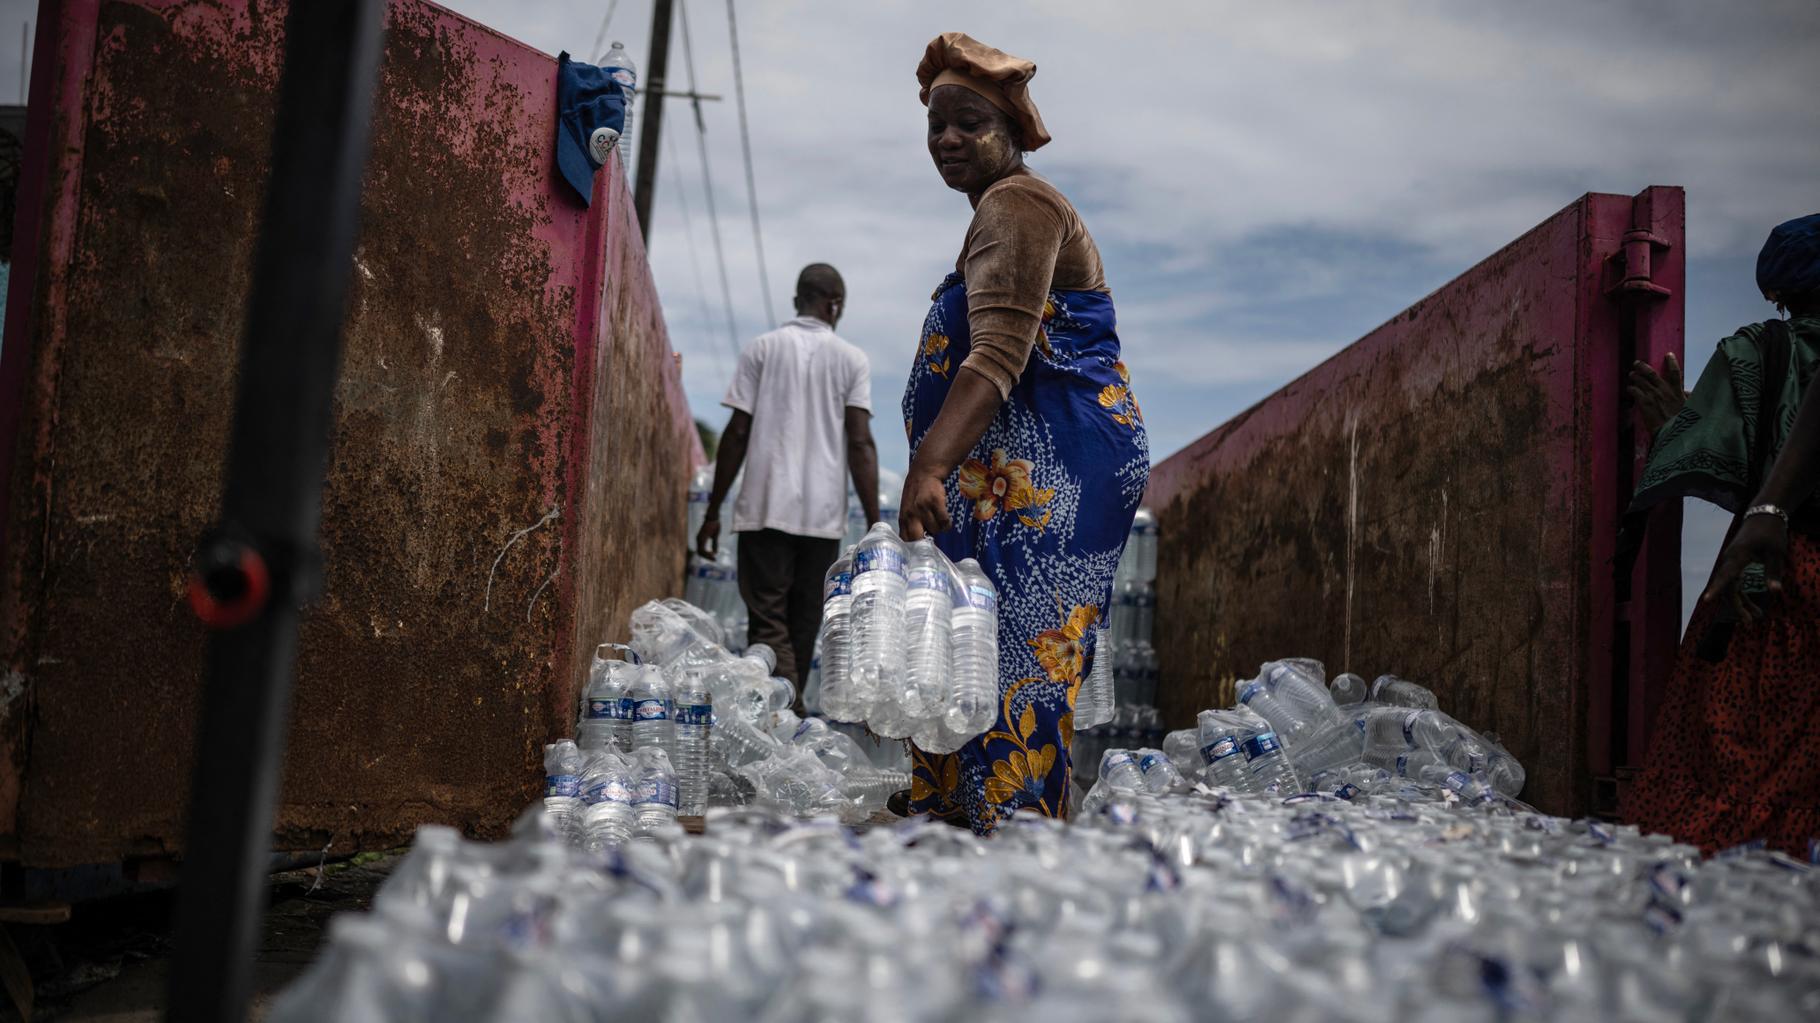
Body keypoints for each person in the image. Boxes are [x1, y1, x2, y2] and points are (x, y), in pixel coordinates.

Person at [895, 33, 1148, 834]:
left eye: (967, 122)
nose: (947, 139)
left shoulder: (1020, 204)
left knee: (1021, 647)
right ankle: (964, 806)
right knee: (975, 633)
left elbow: (998, 354)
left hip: (1060, 475)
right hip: (1024, 470)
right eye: (936, 124)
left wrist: (929, 465)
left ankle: (1017, 827)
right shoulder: (998, 216)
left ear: (1008, 130)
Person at [1619, 213, 1820, 855]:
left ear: (1778, 293)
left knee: (1736, 748)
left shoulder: (1756, 352)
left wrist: (1673, 425)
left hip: (1779, 566)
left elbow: (1709, 462)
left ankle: (1721, 883)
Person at [696, 264, 880, 687]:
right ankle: (789, 711)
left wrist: (713, 510)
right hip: (822, 518)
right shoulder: (852, 360)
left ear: (798, 300)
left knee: (768, 623)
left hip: (764, 510)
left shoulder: (762, 349)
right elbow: (860, 444)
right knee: (803, 626)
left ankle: (783, 709)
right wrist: (874, 523)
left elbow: (737, 432)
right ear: (835, 305)